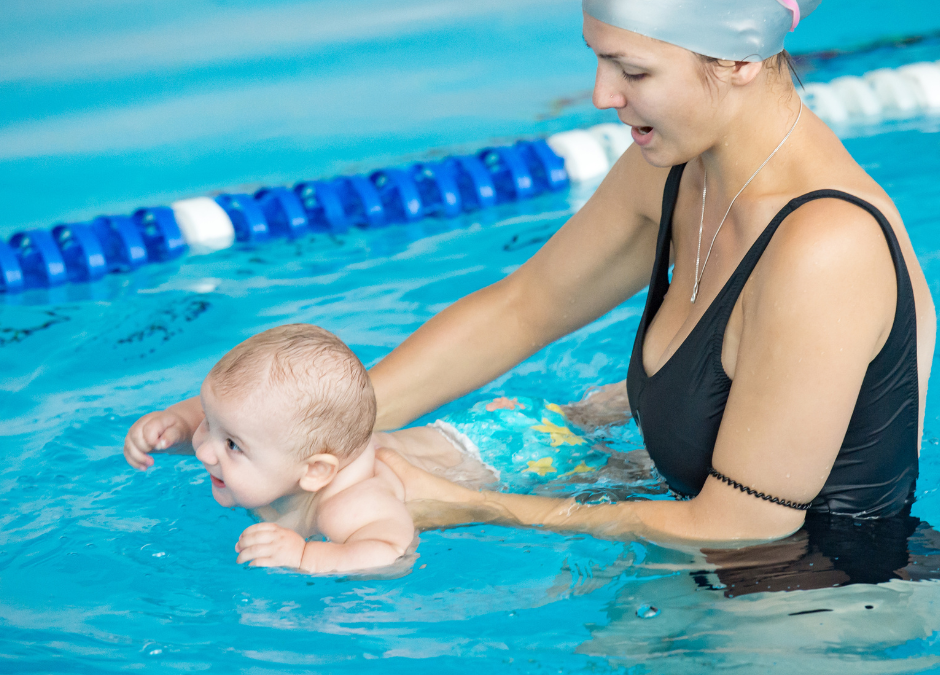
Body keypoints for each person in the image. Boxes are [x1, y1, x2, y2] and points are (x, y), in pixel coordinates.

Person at [367, 0, 937, 544]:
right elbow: (524, 308)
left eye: (633, 72)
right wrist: (326, 431)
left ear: (739, 61)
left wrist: (468, 507)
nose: (600, 95)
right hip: (700, 573)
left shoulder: (826, 248)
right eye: (598, 57)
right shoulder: (676, 170)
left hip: (819, 609)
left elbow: (743, 527)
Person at [122, 324, 608, 572]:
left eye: (231, 446)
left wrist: (308, 558)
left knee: (612, 452)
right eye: (208, 425)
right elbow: (232, 416)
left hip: (523, 452)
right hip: (487, 423)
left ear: (315, 471)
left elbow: (393, 551)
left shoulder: (351, 504)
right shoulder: (287, 448)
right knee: (584, 413)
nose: (205, 450)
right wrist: (175, 425)